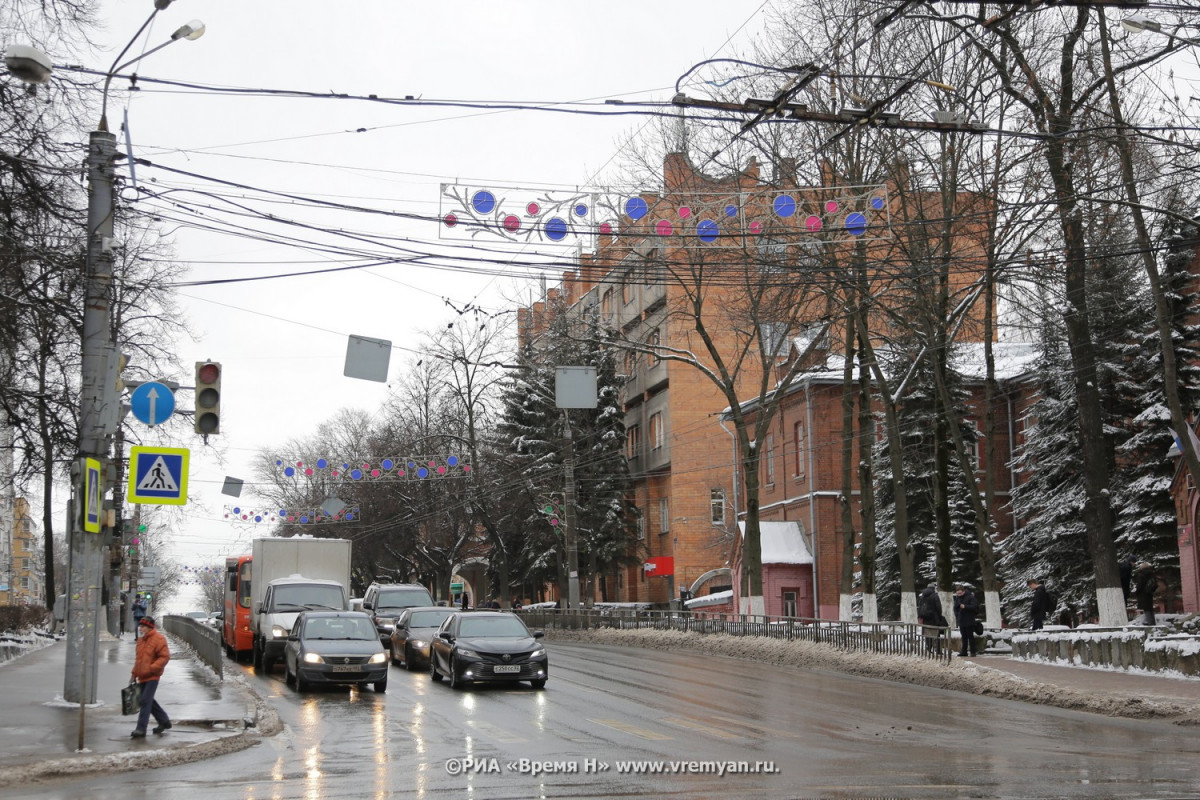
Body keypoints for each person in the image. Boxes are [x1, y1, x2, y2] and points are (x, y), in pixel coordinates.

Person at [130, 616, 172, 738]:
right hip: (142, 676)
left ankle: (141, 729)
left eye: (143, 626)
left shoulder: (159, 639)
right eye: (140, 626)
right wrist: (134, 674)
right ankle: (164, 721)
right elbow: (138, 660)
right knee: (148, 701)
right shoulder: (141, 640)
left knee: (145, 701)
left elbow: (165, 657)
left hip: (153, 676)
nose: (140, 629)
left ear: (150, 627)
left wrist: (152, 668)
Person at [953, 583, 980, 658]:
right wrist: (957, 614)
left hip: (969, 620)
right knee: (963, 637)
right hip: (961, 620)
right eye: (957, 593)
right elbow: (955, 607)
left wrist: (965, 606)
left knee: (970, 636)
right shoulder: (958, 598)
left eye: (960, 593)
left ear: (963, 591)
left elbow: (975, 607)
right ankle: (964, 651)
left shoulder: (970, 597)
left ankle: (973, 651)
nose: (959, 595)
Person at [916, 583, 945, 653]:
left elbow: (920, 607)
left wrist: (920, 617)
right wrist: (939, 616)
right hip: (934, 618)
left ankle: (928, 648)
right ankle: (938, 650)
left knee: (927, 633)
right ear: (933, 588)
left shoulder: (922, 596)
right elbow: (938, 607)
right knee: (936, 633)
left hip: (925, 618)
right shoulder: (935, 596)